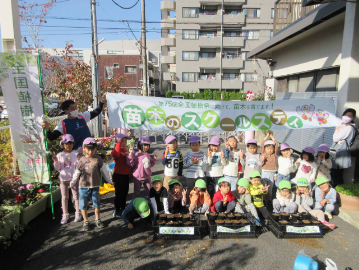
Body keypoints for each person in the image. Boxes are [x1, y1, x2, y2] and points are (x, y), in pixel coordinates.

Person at [70, 137, 112, 231]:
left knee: (96, 204)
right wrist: (73, 182)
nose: (90, 152)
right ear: (84, 148)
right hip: (83, 187)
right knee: (83, 205)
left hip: (95, 186)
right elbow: (77, 173)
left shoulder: (98, 159)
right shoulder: (81, 160)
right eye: (88, 149)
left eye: (92, 149)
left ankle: (97, 219)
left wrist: (109, 181)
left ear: (96, 149)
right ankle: (86, 221)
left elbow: (104, 171)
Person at [42, 93, 107, 151]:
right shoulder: (63, 124)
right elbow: (52, 137)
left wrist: (102, 101)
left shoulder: (82, 117)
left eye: (76, 107)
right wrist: (47, 130)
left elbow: (96, 112)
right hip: (75, 155)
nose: (75, 109)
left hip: (89, 152)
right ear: (66, 111)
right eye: (72, 108)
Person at [52, 134, 82, 224]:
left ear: (73, 143)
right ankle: (65, 214)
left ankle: (78, 213)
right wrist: (55, 161)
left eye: (70, 143)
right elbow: (58, 168)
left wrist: (78, 158)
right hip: (63, 179)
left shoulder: (76, 154)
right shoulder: (60, 155)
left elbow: (78, 167)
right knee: (64, 197)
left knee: (76, 196)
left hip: (74, 179)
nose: (68, 145)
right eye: (66, 143)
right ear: (63, 144)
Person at [331, 108, 357, 187]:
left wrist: (337, 130)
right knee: (335, 174)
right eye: (345, 115)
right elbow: (334, 118)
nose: (346, 117)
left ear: (353, 118)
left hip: (341, 154)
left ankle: (338, 193)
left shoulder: (348, 128)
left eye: (349, 116)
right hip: (338, 153)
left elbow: (335, 138)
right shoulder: (343, 125)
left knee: (336, 175)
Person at [111, 133, 131, 218]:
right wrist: (118, 143)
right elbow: (116, 154)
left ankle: (123, 208)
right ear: (117, 142)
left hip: (126, 175)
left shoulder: (126, 150)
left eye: (125, 141)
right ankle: (117, 210)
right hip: (118, 175)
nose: (124, 143)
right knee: (119, 193)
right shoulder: (115, 151)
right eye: (122, 141)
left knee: (125, 193)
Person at [260, 131, 278, 203]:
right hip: (264, 173)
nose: (270, 150)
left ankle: (269, 201)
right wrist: (267, 136)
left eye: (271, 148)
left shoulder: (274, 155)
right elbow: (262, 144)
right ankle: (264, 201)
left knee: (270, 189)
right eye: (268, 148)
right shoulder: (264, 153)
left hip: (272, 173)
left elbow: (276, 145)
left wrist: (272, 137)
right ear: (265, 149)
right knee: (264, 188)